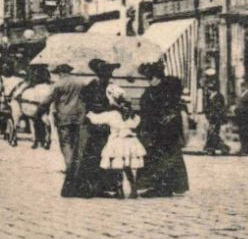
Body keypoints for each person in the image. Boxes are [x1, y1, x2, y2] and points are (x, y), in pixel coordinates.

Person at [69, 59, 121, 198]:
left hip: (106, 125)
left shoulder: (111, 88)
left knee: (106, 155)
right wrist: (107, 108)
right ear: (99, 74)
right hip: (92, 124)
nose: (107, 77)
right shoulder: (92, 86)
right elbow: (89, 105)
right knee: (90, 156)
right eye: (105, 74)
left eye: (109, 75)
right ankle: (86, 188)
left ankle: (102, 187)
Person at [136, 60, 189, 197]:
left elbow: (156, 110)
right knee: (167, 156)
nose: (149, 81)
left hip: (162, 130)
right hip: (164, 129)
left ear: (156, 76)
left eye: (150, 78)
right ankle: (167, 185)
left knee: (160, 157)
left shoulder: (161, 91)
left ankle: (160, 187)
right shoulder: (163, 89)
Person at [38, 63, 85, 195]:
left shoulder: (58, 84)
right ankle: (76, 168)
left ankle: (70, 170)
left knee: (65, 144)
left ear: (60, 73)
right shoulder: (81, 82)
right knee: (76, 145)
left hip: (63, 118)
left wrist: (39, 111)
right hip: (79, 117)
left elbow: (47, 100)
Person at [94, 89, 146, 198]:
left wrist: (89, 114)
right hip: (130, 142)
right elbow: (136, 123)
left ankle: (120, 190)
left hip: (117, 142)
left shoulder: (112, 114)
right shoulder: (133, 115)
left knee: (117, 167)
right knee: (128, 166)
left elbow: (96, 119)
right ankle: (134, 189)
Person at [200, 75, 229, 155]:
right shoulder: (212, 96)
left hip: (215, 118)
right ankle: (214, 148)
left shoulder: (218, 97)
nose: (207, 91)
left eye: (208, 90)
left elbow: (218, 108)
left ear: (210, 90)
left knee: (213, 133)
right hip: (212, 118)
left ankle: (217, 148)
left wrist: (212, 115)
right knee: (212, 133)